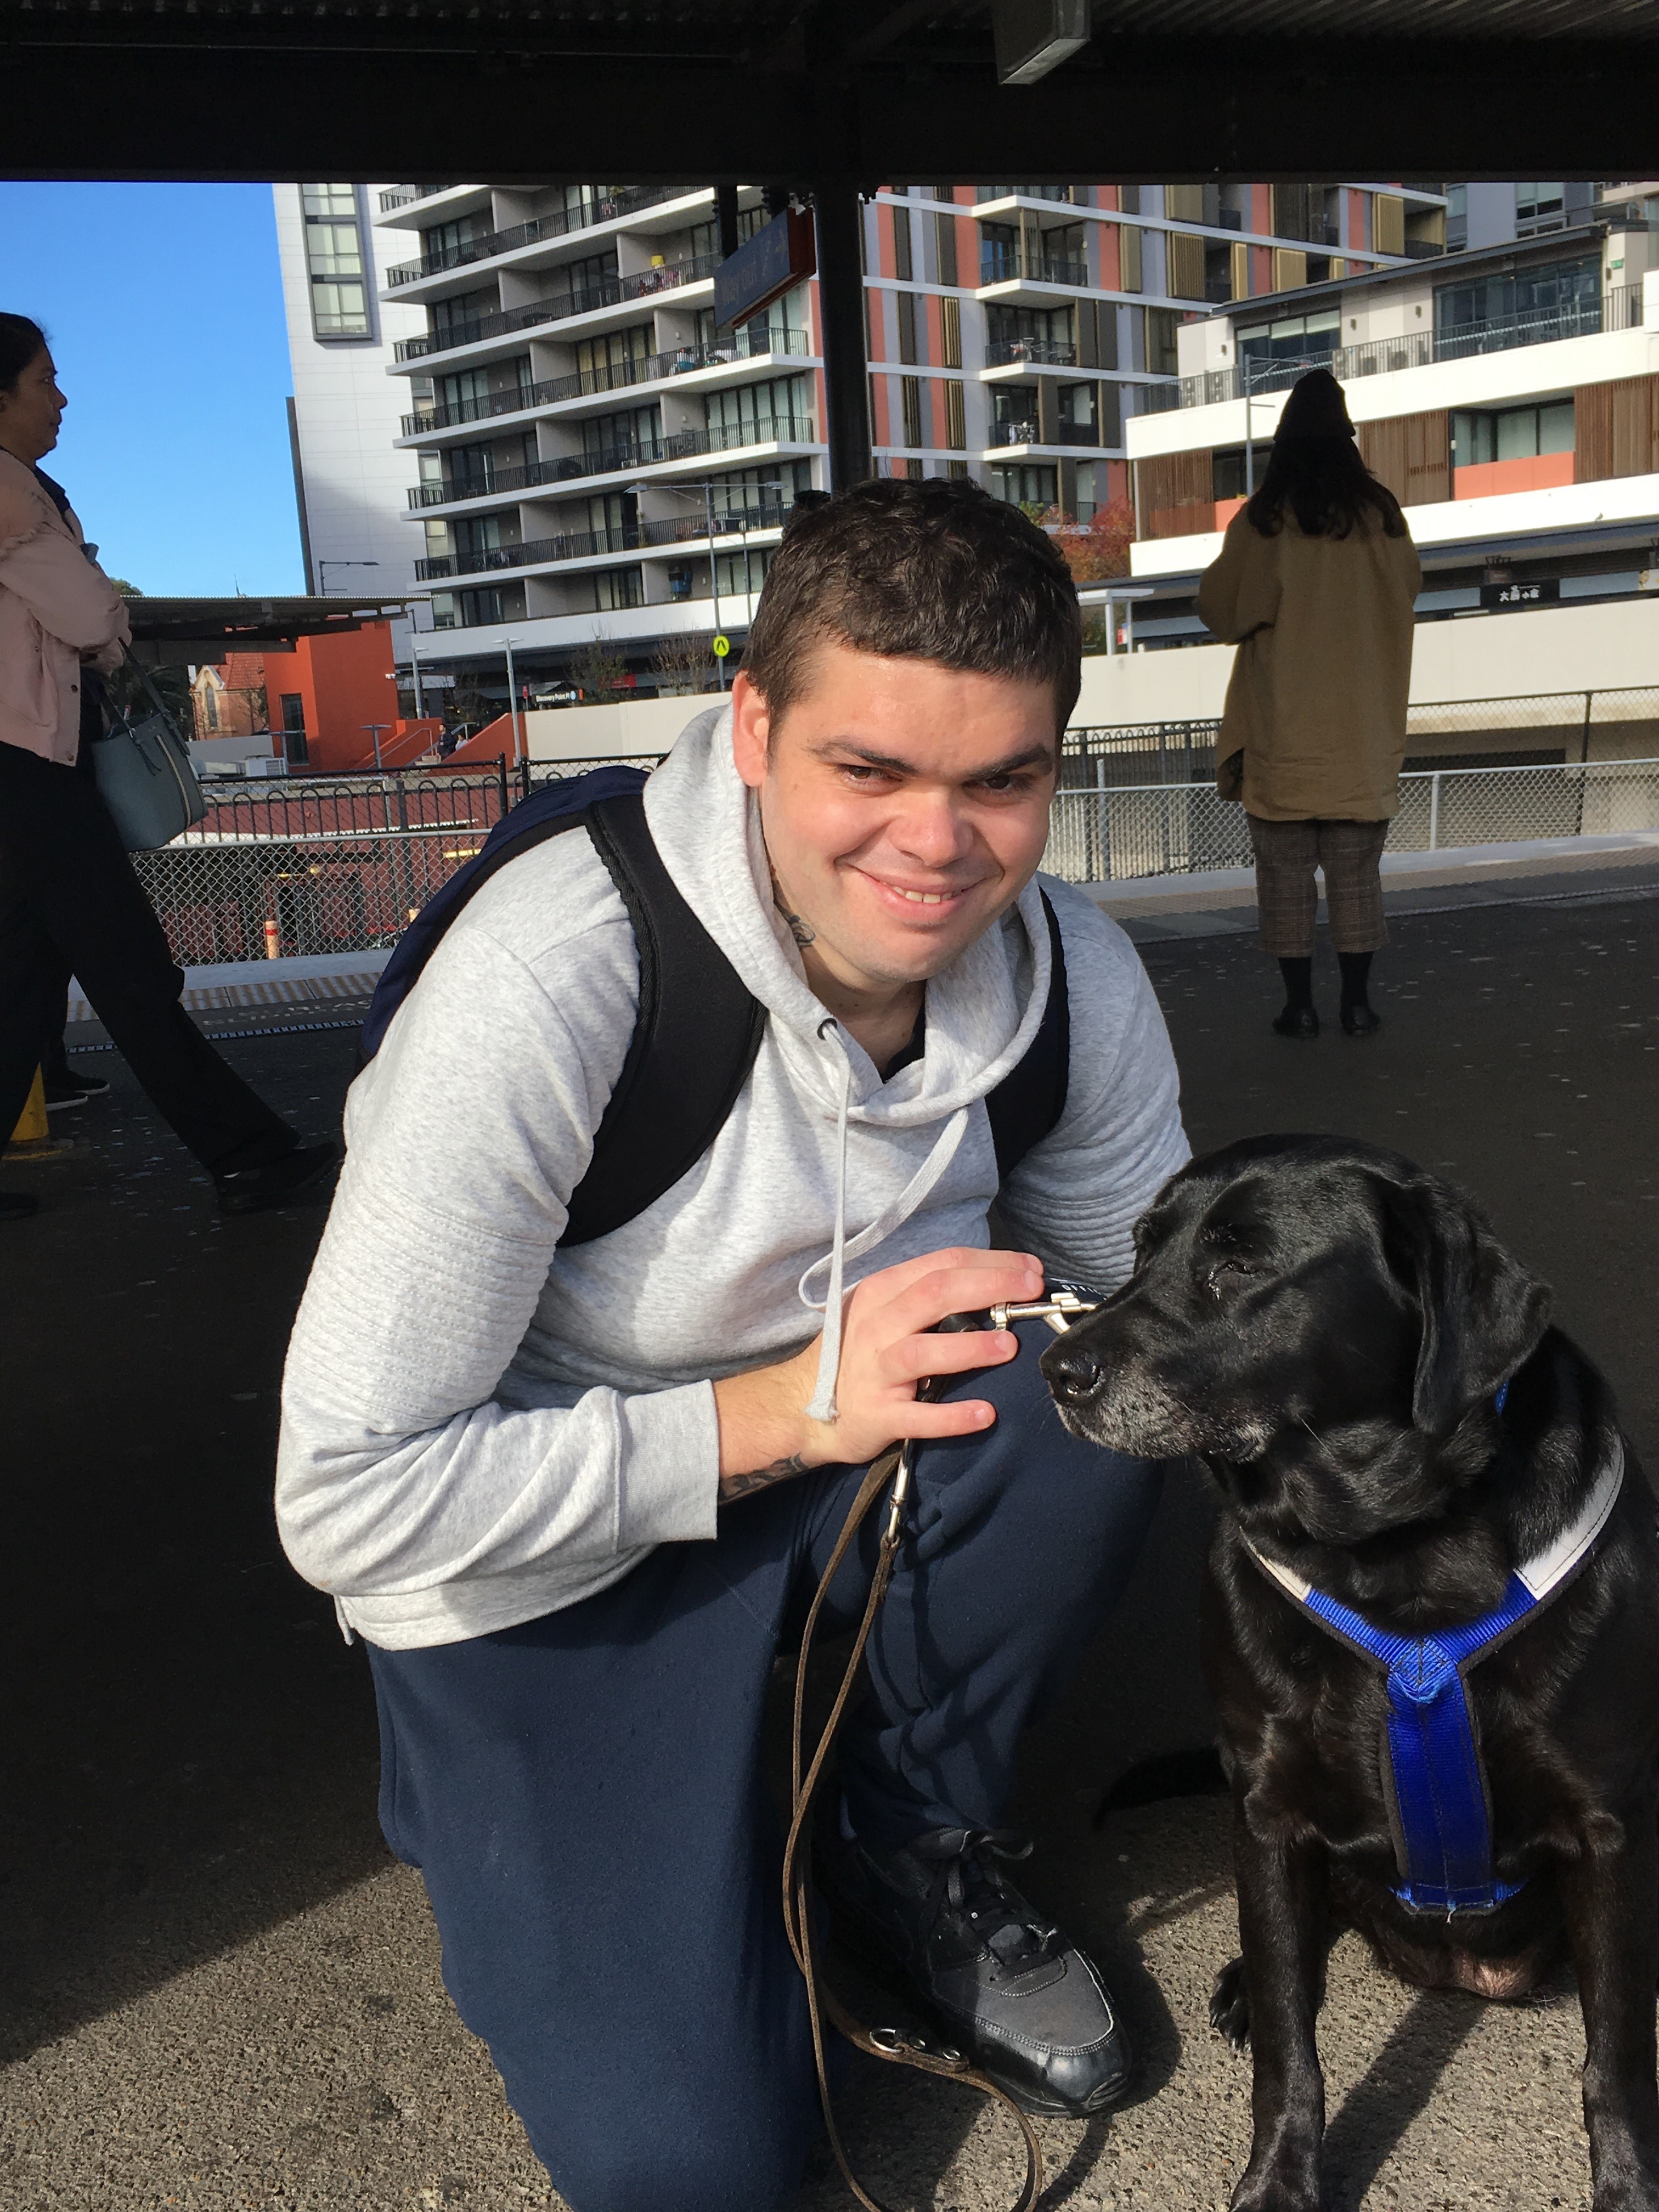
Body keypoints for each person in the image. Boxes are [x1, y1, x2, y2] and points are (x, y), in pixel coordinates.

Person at [276, 478, 1190, 2212]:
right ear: (756, 728)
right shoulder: (558, 974)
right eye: (874, 771)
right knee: (698, 2167)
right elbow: (348, 1499)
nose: (940, 848)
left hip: (848, 1462)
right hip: (542, 1538)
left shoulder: (1073, 967)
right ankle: (501, 1791)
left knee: (1101, 1398)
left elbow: (1162, 1312)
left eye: (1001, 780)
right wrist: (777, 1411)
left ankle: (904, 1830)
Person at [0, 313, 338, 1220]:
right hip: (28, 773)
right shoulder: (9, 491)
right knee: (130, 971)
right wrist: (102, 605)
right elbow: (91, 621)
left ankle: (246, 1154)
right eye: (42, 381)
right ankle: (245, 1156)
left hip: (21, 772)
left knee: (22, 983)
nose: (60, 397)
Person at [1198, 368, 1421, 1040]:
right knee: (1358, 882)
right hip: (1362, 738)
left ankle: (1299, 1008)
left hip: (1283, 739)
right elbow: (1408, 592)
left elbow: (1222, 610)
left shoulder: (1267, 522)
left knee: (1286, 884)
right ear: (1348, 441)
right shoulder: (1383, 518)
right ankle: (1357, 1003)